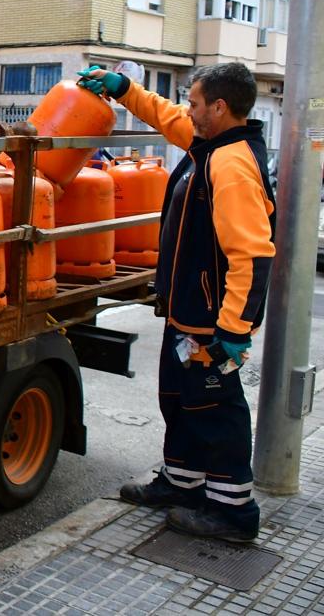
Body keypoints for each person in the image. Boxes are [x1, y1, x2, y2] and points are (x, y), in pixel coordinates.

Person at [78, 62, 276, 543]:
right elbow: (166, 115)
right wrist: (123, 89)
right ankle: (183, 484)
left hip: (213, 320)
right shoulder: (211, 144)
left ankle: (233, 513)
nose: (187, 109)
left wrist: (234, 329)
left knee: (215, 407)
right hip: (189, 309)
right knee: (179, 399)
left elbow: (251, 253)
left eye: (195, 102)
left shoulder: (231, 165)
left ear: (220, 107)